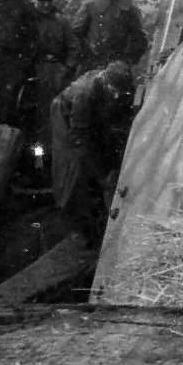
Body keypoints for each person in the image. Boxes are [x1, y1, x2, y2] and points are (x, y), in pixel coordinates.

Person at [50, 61, 135, 244]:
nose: (118, 95)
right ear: (104, 81)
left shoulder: (116, 85)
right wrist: (100, 175)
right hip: (64, 115)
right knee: (72, 167)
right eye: (115, 90)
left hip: (89, 115)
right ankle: (76, 227)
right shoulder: (84, 95)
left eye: (122, 91)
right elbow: (79, 137)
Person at [28, 0, 79, 157]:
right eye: (42, 0)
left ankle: (49, 167)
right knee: (32, 126)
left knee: (53, 125)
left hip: (56, 76)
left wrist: (65, 70)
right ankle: (34, 167)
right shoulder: (26, 21)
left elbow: (73, 48)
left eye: (49, 0)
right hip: (30, 77)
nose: (46, 4)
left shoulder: (61, 21)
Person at [72, 0, 149, 74]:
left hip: (118, 65)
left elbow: (139, 38)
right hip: (92, 64)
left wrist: (128, 60)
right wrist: (84, 56)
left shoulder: (128, 8)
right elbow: (75, 35)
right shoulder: (89, 6)